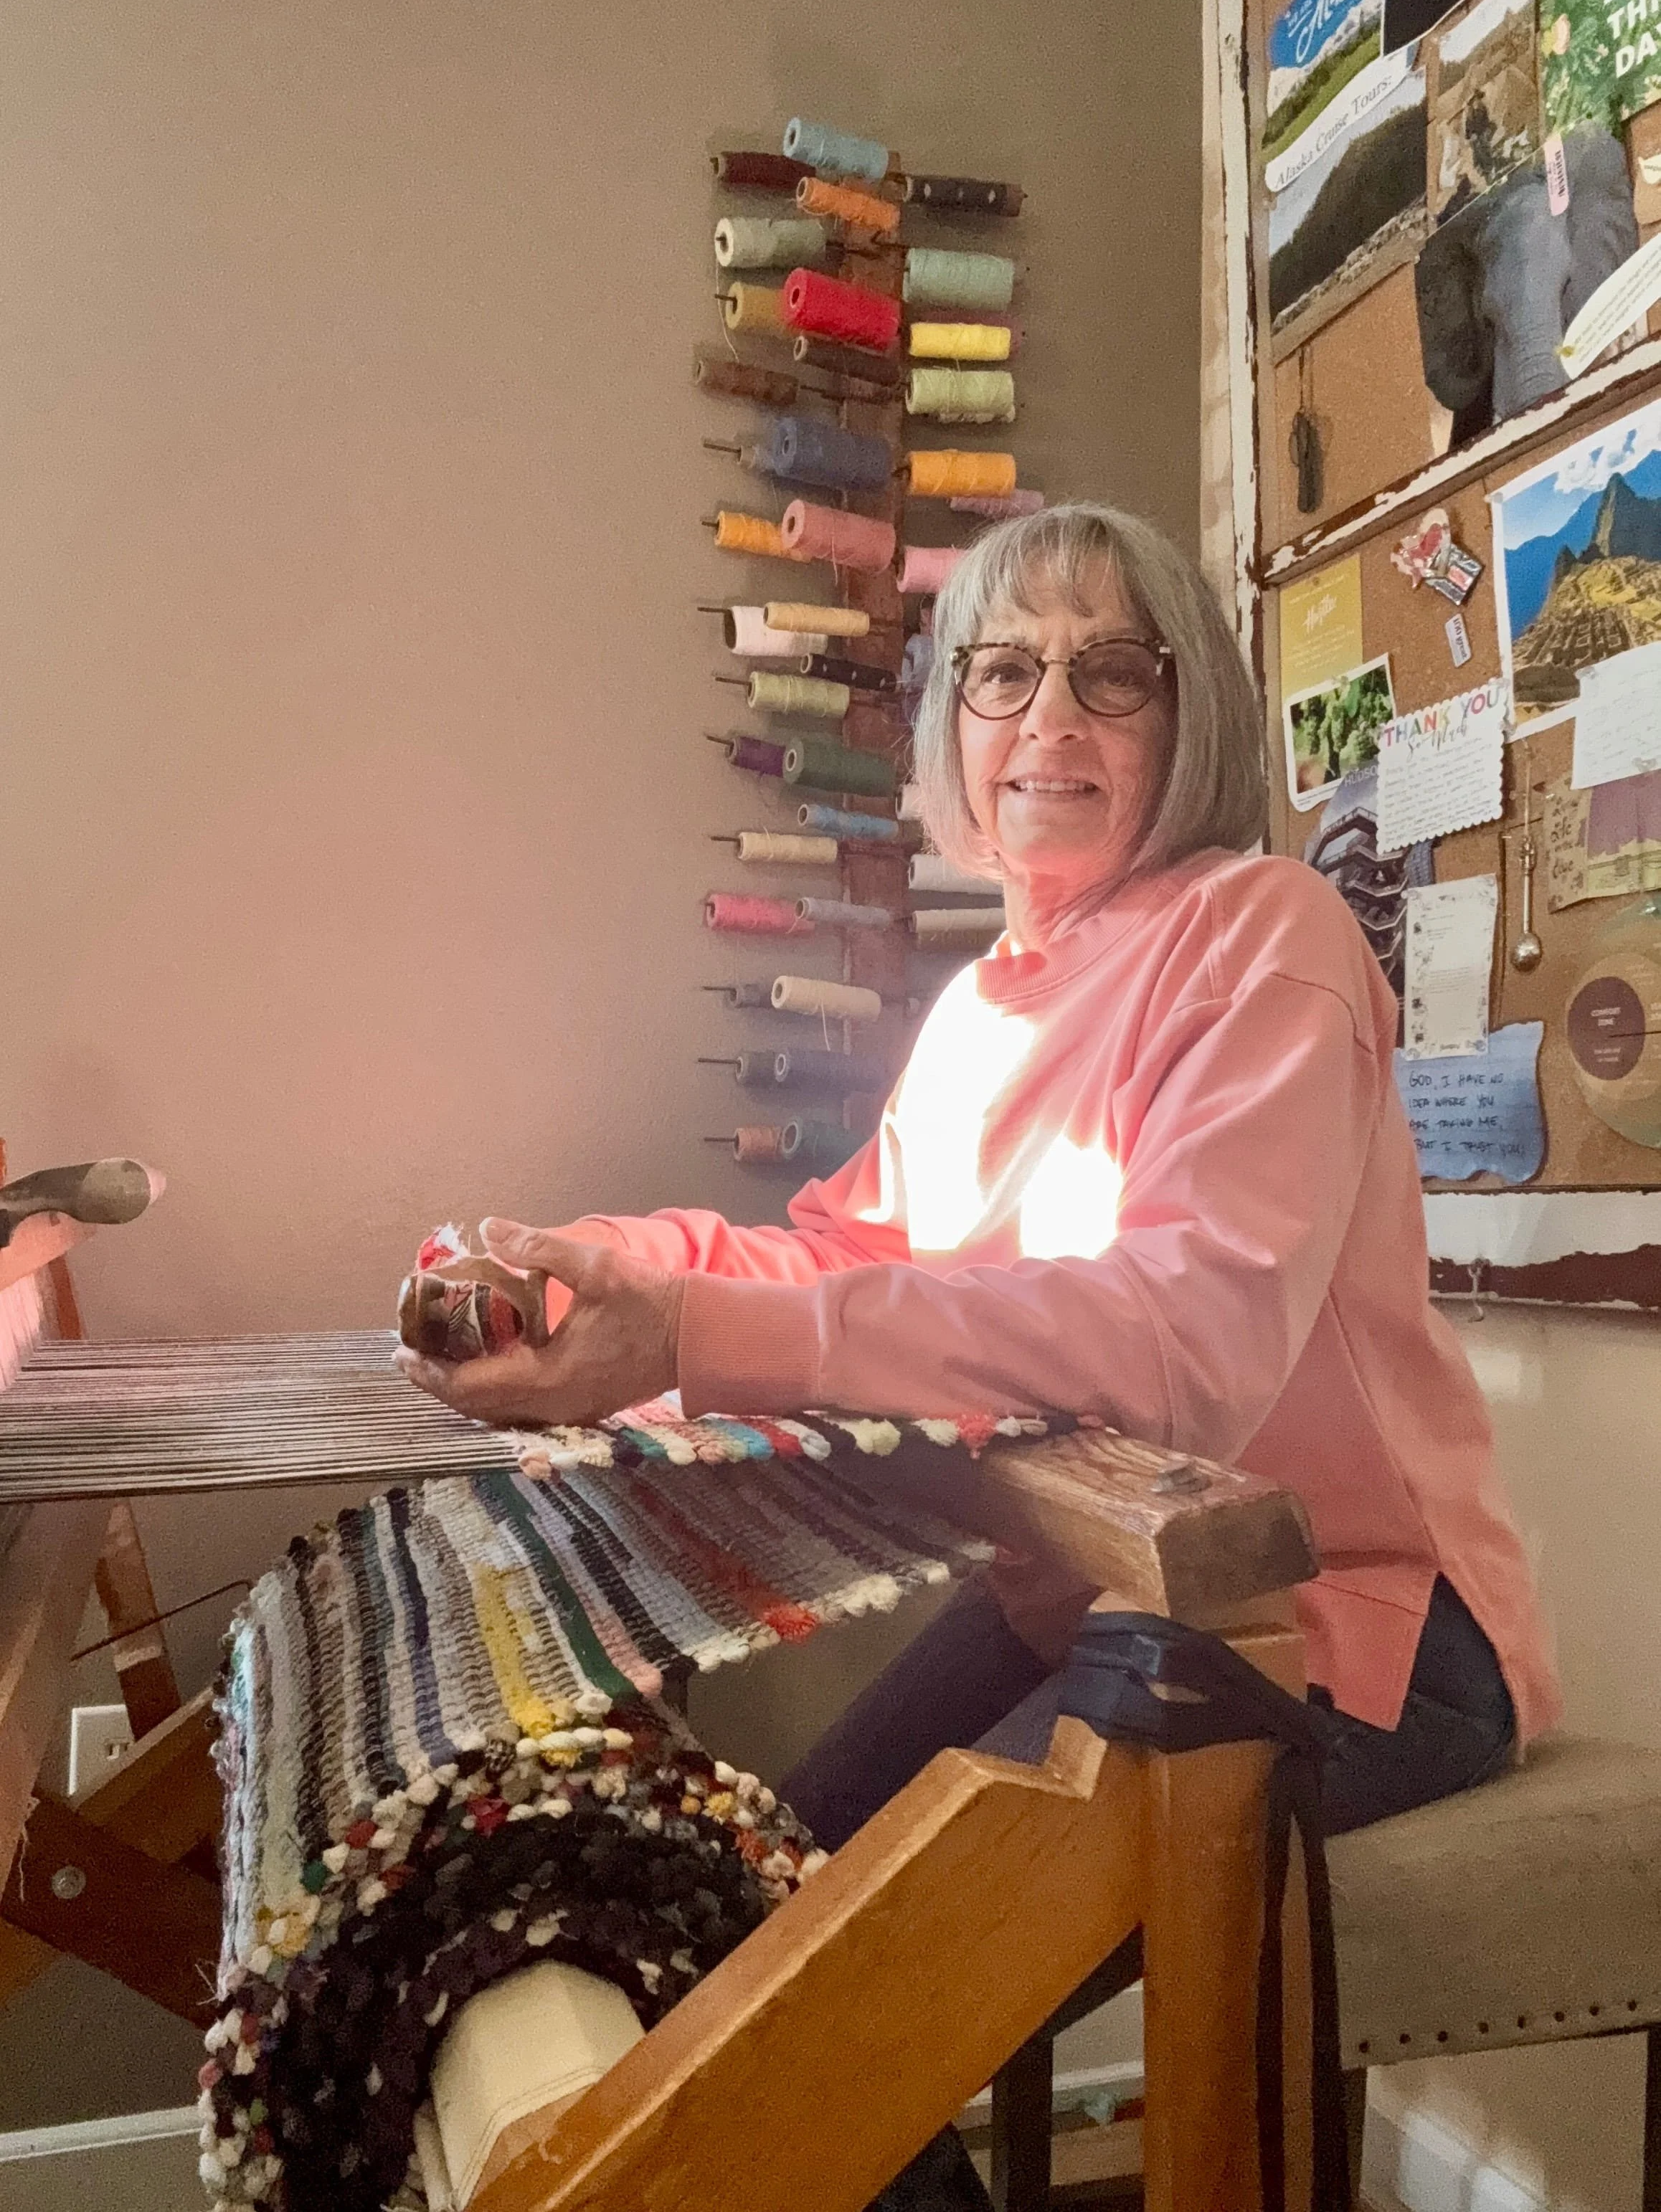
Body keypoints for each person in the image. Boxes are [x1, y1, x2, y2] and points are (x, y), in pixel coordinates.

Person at [399, 502, 1557, 2202]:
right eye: (1005, 671)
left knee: (829, 2030)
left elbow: (1182, 1343)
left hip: (1347, 1623)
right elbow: (837, 1255)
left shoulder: (1272, 934)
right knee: (737, 1924)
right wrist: (602, 1268)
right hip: (1090, 1593)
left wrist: (703, 1331)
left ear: (1195, 717)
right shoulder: (987, 1008)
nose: (1051, 718)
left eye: (1112, 673)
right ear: (952, 723)